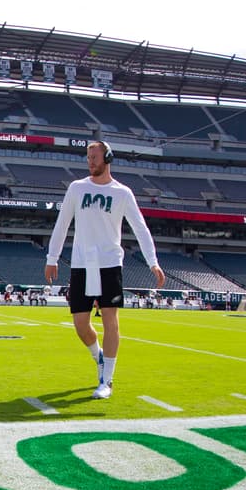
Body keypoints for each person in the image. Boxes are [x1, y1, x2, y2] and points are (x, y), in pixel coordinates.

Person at [45, 140, 165, 400]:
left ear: (107, 158)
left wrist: (152, 261)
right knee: (80, 324)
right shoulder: (77, 188)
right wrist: (52, 257)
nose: (90, 161)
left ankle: (107, 380)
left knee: (111, 320)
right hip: (81, 263)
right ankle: (98, 357)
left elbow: (140, 228)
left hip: (110, 263)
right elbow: (62, 223)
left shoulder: (123, 193)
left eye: (95, 157)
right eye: (88, 157)